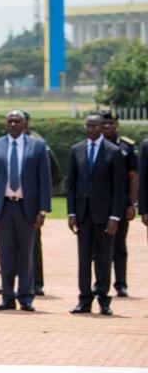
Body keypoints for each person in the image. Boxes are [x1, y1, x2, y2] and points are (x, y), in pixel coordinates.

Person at [0, 110, 52, 312]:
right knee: (5, 254)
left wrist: (42, 210)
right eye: (10, 121)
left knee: (27, 254)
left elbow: (44, 180)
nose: (13, 124)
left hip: (26, 208)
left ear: (25, 125)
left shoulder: (37, 146)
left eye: (17, 121)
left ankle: (26, 297)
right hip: (3, 208)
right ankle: (7, 297)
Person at [66, 112, 124, 316]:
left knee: (103, 258)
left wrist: (115, 217)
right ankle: (84, 299)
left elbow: (118, 188)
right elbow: (71, 185)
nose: (92, 129)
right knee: (83, 259)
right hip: (83, 214)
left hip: (104, 215)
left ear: (102, 128)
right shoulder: (76, 150)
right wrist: (71, 212)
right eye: (88, 126)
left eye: (96, 126)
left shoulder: (113, 151)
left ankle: (103, 298)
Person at [101, 111, 137, 298]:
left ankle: (121, 284)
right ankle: (100, 283)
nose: (107, 126)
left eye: (111, 123)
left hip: (121, 203)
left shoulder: (126, 146)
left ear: (117, 125)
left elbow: (133, 177)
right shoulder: (95, 145)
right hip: (99, 204)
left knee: (119, 246)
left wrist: (132, 203)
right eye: (104, 123)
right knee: (99, 246)